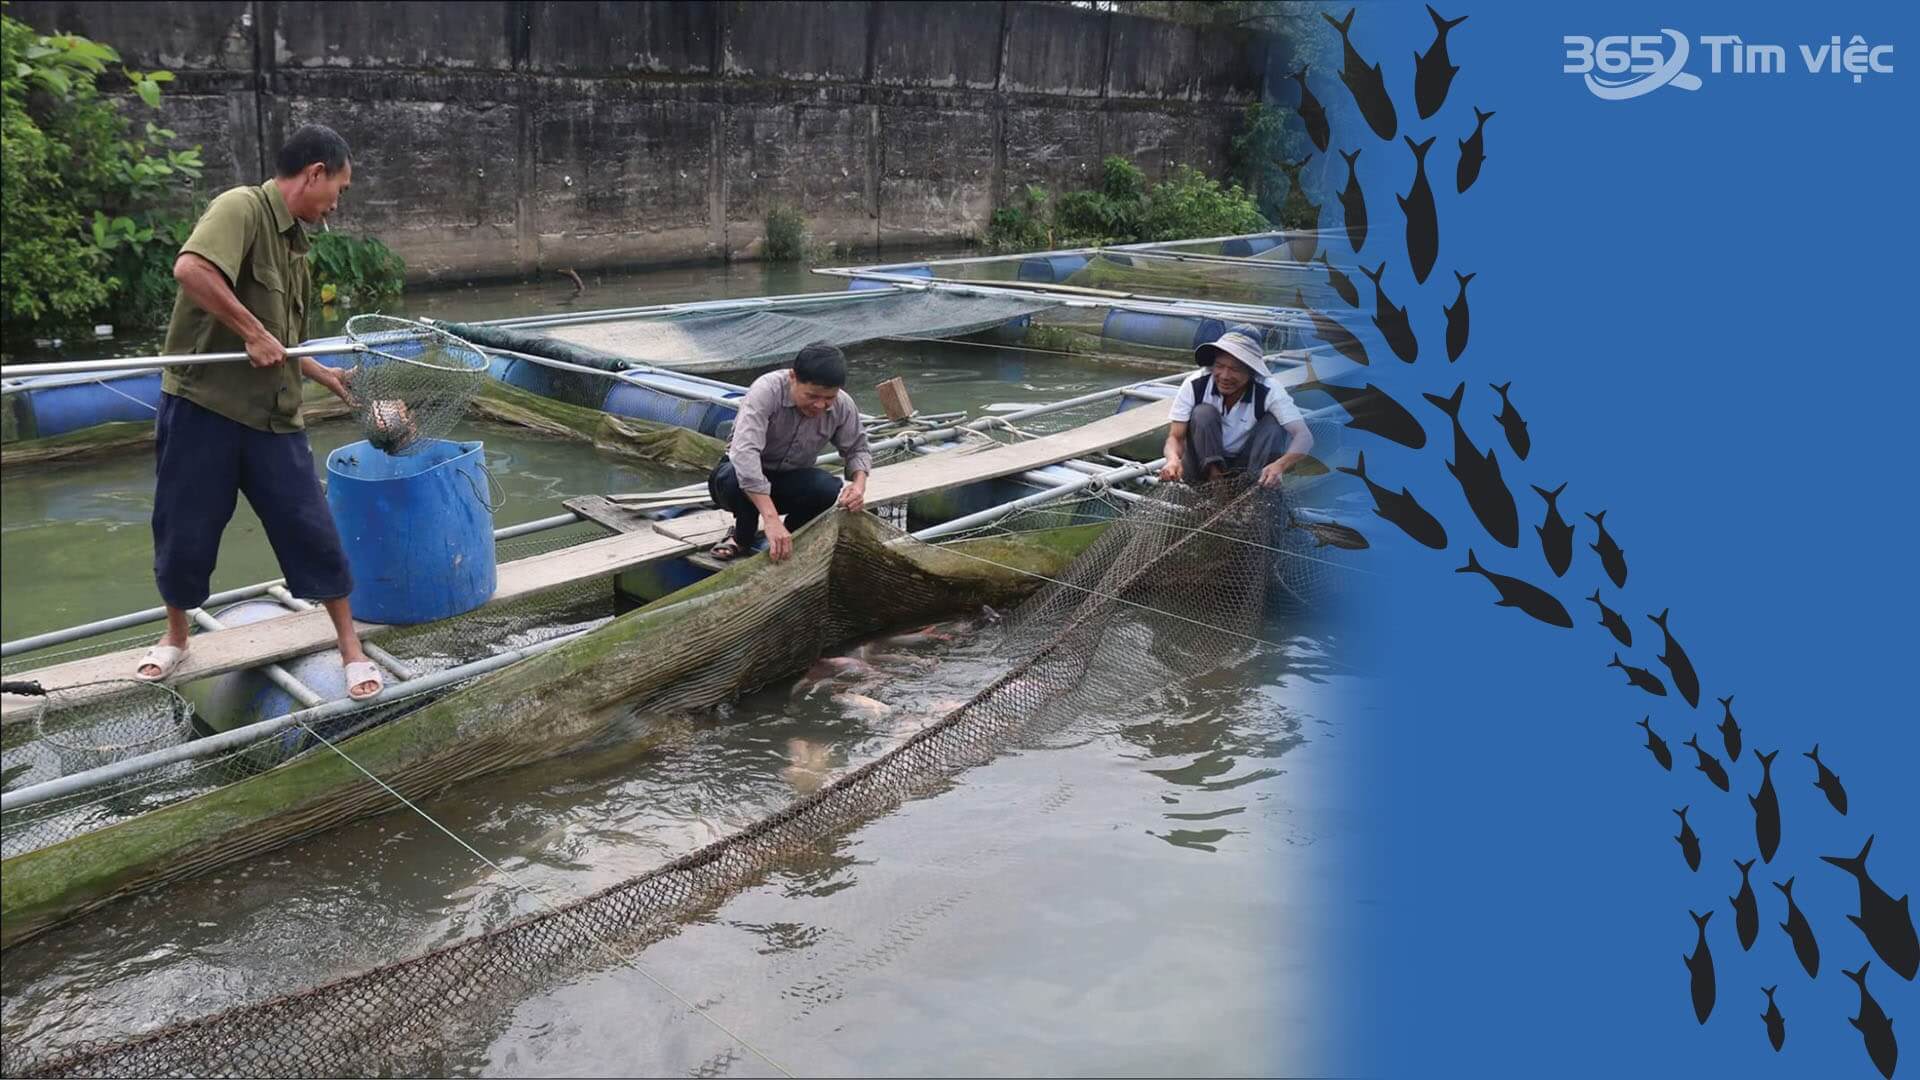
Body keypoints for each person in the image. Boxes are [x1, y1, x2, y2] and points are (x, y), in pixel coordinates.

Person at [135, 124, 382, 700]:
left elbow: (282, 344)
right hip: (205, 408)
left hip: (273, 417)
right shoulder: (240, 207)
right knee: (184, 529)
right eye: (338, 188)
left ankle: (350, 649)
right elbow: (191, 270)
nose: (336, 203)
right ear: (314, 172)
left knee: (312, 529)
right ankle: (175, 638)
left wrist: (327, 376)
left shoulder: (296, 246)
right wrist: (247, 330)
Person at [707, 343, 872, 563]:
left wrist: (858, 486)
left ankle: (791, 536)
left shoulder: (843, 404)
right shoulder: (766, 391)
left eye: (829, 398)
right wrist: (771, 519)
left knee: (827, 487)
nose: (820, 405)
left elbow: (857, 448)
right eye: (812, 396)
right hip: (738, 482)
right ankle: (740, 538)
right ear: (793, 377)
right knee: (733, 477)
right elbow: (745, 454)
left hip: (788, 479)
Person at [1159, 325, 1313, 489]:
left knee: (1273, 424)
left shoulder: (1269, 389)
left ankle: (1255, 490)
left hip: (1247, 467)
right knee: (1203, 413)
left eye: (1235, 369)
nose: (1225, 376)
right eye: (1219, 366)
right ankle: (1215, 484)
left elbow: (1304, 436)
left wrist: (1280, 465)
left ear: (1251, 371)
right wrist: (1173, 459)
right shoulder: (1195, 384)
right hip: (1200, 468)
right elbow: (1175, 437)